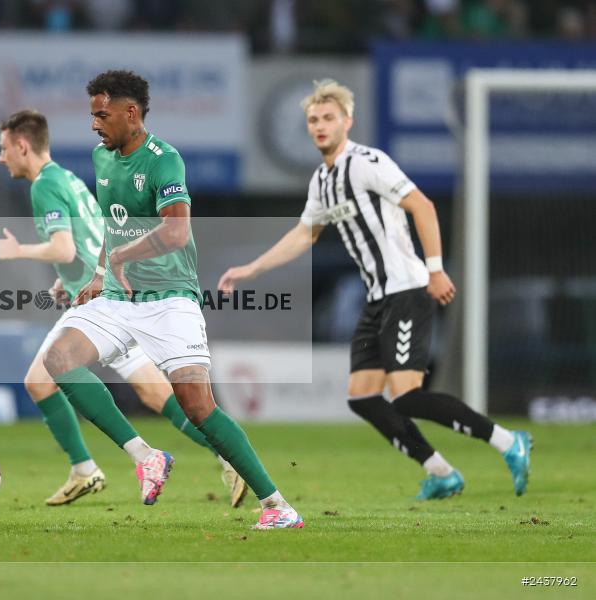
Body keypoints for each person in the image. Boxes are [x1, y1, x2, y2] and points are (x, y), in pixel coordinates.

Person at [219, 79, 532, 500]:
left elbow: (422, 206)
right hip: (377, 299)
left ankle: (508, 442)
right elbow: (304, 235)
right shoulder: (322, 180)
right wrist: (253, 269)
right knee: (362, 397)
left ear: (347, 121)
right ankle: (441, 472)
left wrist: (435, 270)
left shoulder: (367, 162)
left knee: (406, 397)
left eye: (328, 118)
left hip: (406, 290)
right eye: (313, 120)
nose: (319, 126)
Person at [42, 70, 303, 529]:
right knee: (59, 358)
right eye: (92, 116)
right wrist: (101, 272)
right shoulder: (102, 159)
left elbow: (177, 232)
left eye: (102, 115)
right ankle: (146, 456)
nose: (94, 125)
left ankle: (278, 506)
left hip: (170, 300)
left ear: (131, 113)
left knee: (198, 407)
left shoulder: (164, 161)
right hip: (119, 297)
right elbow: (112, 225)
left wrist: (121, 256)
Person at [0, 109, 247, 507]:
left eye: (4, 148)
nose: (1, 157)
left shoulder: (44, 186)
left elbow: (64, 246)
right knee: (153, 394)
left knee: (44, 380)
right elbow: (97, 232)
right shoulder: (67, 178)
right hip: (109, 291)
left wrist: (19, 250)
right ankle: (225, 458)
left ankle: (111, 463)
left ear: (22, 146)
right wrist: (70, 278)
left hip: (105, 303)